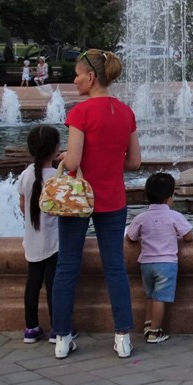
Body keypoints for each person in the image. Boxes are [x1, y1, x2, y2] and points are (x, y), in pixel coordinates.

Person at [51, 49, 142, 360]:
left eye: (77, 75)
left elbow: (74, 160)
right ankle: (122, 337)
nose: (74, 80)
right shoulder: (125, 112)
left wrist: (64, 156)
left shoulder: (80, 113)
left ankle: (62, 337)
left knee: (67, 266)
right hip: (113, 197)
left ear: (91, 78)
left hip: (78, 198)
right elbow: (135, 162)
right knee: (115, 267)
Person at [126, 172, 193, 344]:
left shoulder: (141, 218)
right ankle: (155, 332)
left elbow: (131, 237)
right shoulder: (174, 216)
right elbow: (188, 236)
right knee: (160, 298)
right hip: (166, 264)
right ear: (169, 197)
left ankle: (148, 324)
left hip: (146, 264)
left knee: (150, 295)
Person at [16, 125, 61, 344]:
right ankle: (57, 328)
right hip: (54, 241)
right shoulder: (57, 177)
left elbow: (23, 204)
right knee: (54, 284)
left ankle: (31, 328)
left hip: (32, 240)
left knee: (32, 283)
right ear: (56, 149)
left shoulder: (26, 175)